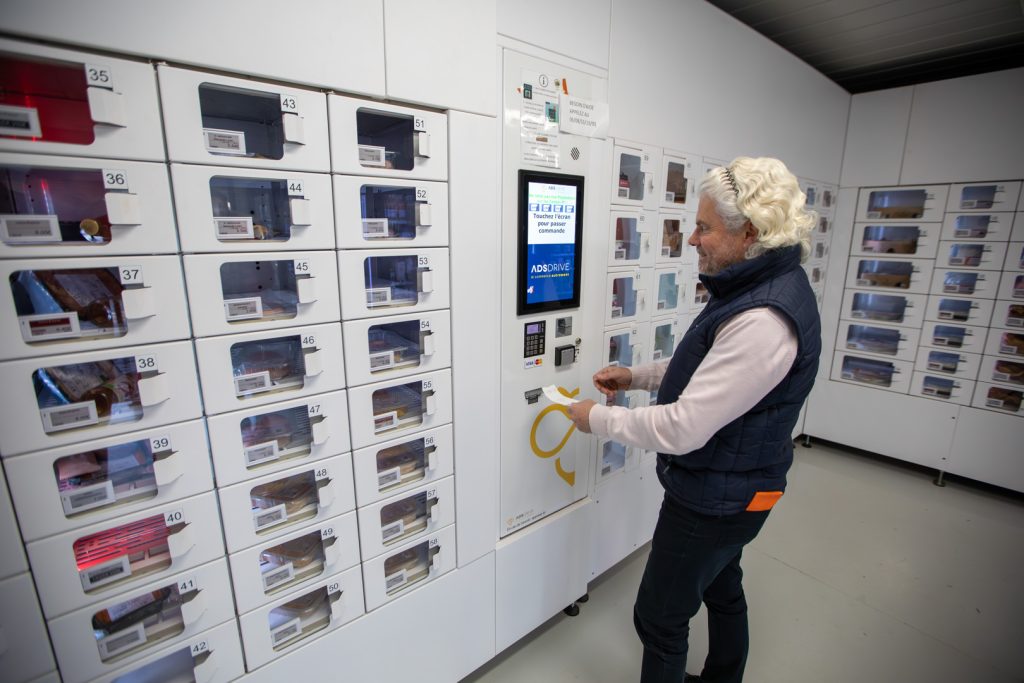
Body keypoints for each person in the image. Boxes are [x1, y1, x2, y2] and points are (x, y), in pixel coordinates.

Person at [566, 157, 822, 683]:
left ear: (749, 232)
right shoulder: (756, 286)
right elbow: (706, 368)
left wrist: (597, 420)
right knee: (723, 585)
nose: (691, 239)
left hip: (716, 498)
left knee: (659, 618)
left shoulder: (763, 320)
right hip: (741, 486)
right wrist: (635, 376)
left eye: (704, 227)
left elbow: (682, 428)